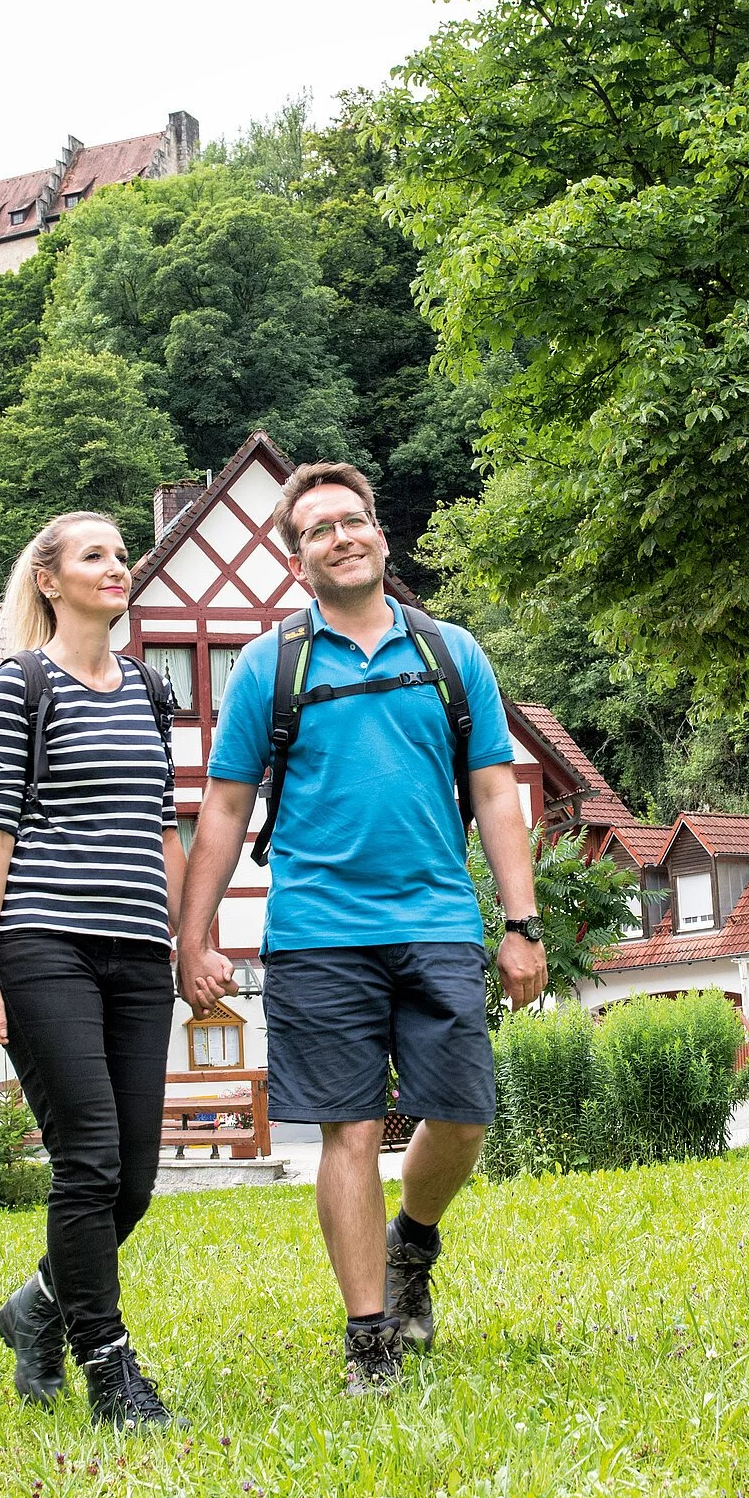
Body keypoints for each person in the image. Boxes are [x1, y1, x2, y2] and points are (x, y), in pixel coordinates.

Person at [178, 461, 547, 1393]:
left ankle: (411, 1245)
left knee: (462, 1114)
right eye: (317, 530)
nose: (340, 538)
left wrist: (522, 921)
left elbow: (496, 790)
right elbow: (222, 810)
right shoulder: (270, 665)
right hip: (316, 932)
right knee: (346, 1131)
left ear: (382, 536)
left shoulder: (452, 653)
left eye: (353, 522)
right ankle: (369, 1337)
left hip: (434, 918)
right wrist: (197, 932)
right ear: (295, 557)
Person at [0, 511, 183, 1430]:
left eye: (123, 554)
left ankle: (33, 1309)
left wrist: (189, 937)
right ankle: (108, 1366)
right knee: (86, 1160)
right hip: (44, 946)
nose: (117, 566)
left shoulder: (146, 689)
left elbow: (164, 828)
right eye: (96, 555)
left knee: (131, 1179)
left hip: (139, 952)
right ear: (49, 580)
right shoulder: (18, 686)